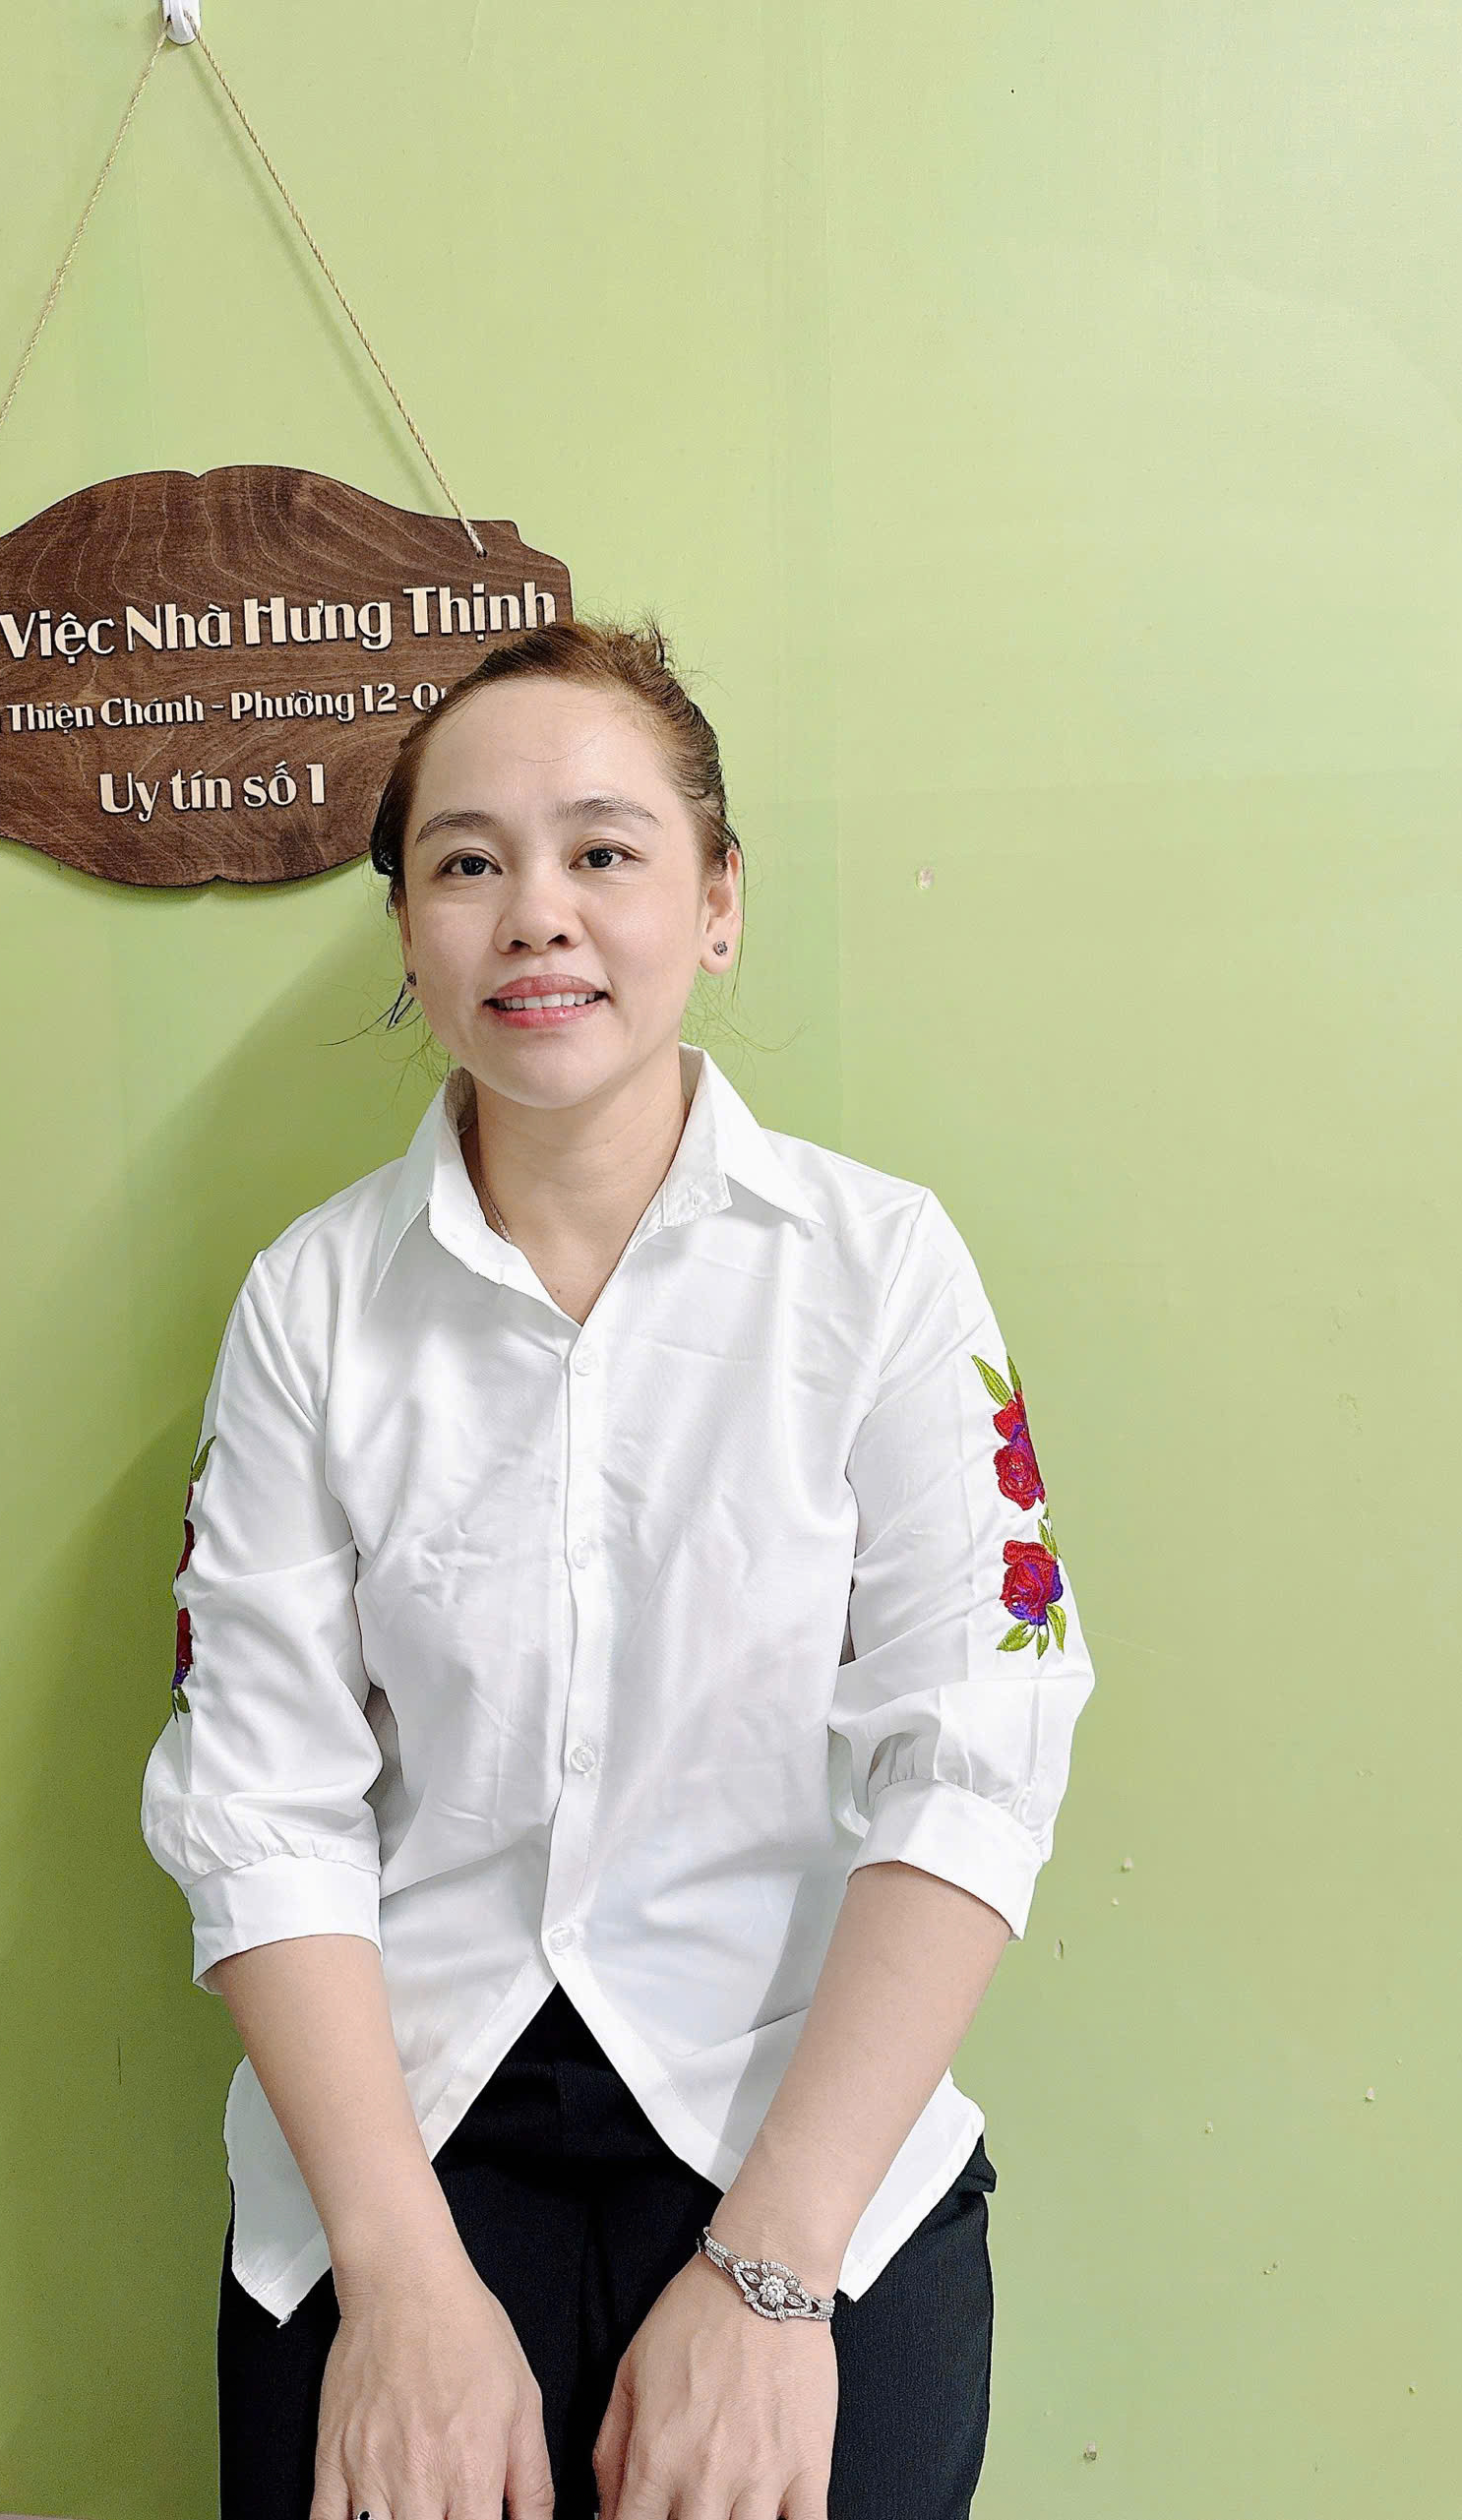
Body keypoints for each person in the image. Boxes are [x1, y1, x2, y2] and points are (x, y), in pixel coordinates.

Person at [140, 616, 1097, 2520]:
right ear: (405, 929)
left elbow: (974, 1759)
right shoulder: (309, 1303)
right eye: (465, 862)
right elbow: (258, 1801)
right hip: (403, 2131)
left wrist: (774, 2276)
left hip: (794, 2119)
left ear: (715, 902)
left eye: (603, 849)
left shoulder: (878, 1270)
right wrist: (402, 2287)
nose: (535, 915)